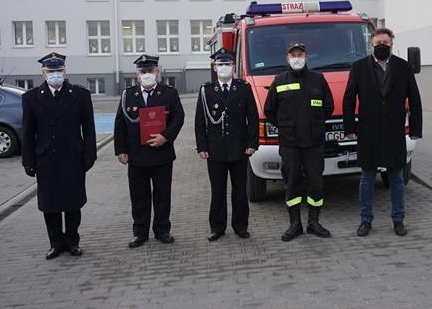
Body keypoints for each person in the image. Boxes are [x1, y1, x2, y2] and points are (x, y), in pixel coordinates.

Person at [342, 28, 422, 237]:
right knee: (366, 179)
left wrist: (415, 129)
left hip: (394, 132)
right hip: (368, 132)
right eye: (377, 43)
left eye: (385, 43)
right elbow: (349, 99)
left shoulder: (403, 67)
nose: (381, 46)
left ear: (392, 44)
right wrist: (349, 128)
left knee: (396, 178)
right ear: (371, 46)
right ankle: (365, 221)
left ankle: (398, 220)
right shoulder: (359, 68)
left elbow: (414, 98)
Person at [21, 52, 97, 260]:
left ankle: (72, 241)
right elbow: (27, 133)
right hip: (46, 159)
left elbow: (88, 128)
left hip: (72, 157)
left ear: (65, 71)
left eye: (59, 71)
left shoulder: (80, 95)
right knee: (50, 203)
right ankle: (55, 242)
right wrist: (28, 160)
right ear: (43, 73)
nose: (55, 75)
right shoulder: (32, 98)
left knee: (73, 202)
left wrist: (90, 154)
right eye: (51, 71)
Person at [264, 42, 334, 241]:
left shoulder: (318, 79)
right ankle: (295, 224)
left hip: (314, 144)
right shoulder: (279, 80)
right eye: (293, 54)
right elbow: (269, 110)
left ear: (307, 57)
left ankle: (314, 223)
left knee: (316, 184)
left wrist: (316, 124)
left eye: (300, 54)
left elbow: (328, 106)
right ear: (287, 58)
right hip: (290, 144)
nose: (297, 58)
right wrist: (285, 127)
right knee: (292, 185)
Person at [114, 54, 185, 248]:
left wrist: (166, 137)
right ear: (137, 74)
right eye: (142, 71)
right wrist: (120, 150)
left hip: (161, 154)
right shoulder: (128, 95)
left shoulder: (169, 93)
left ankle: (162, 230)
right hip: (136, 155)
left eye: (150, 71)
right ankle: (140, 232)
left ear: (157, 72)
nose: (146, 74)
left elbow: (178, 118)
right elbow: (120, 124)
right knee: (139, 196)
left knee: (162, 194)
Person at [194, 48, 259, 241]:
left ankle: (241, 226)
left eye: (227, 64)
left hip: (239, 149)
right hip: (215, 151)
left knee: (240, 191)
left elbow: (253, 118)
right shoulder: (206, 90)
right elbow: (199, 121)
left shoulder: (243, 88)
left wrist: (252, 143)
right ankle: (217, 227)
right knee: (218, 191)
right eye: (220, 64)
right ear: (214, 67)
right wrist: (202, 147)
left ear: (233, 67)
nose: (224, 67)